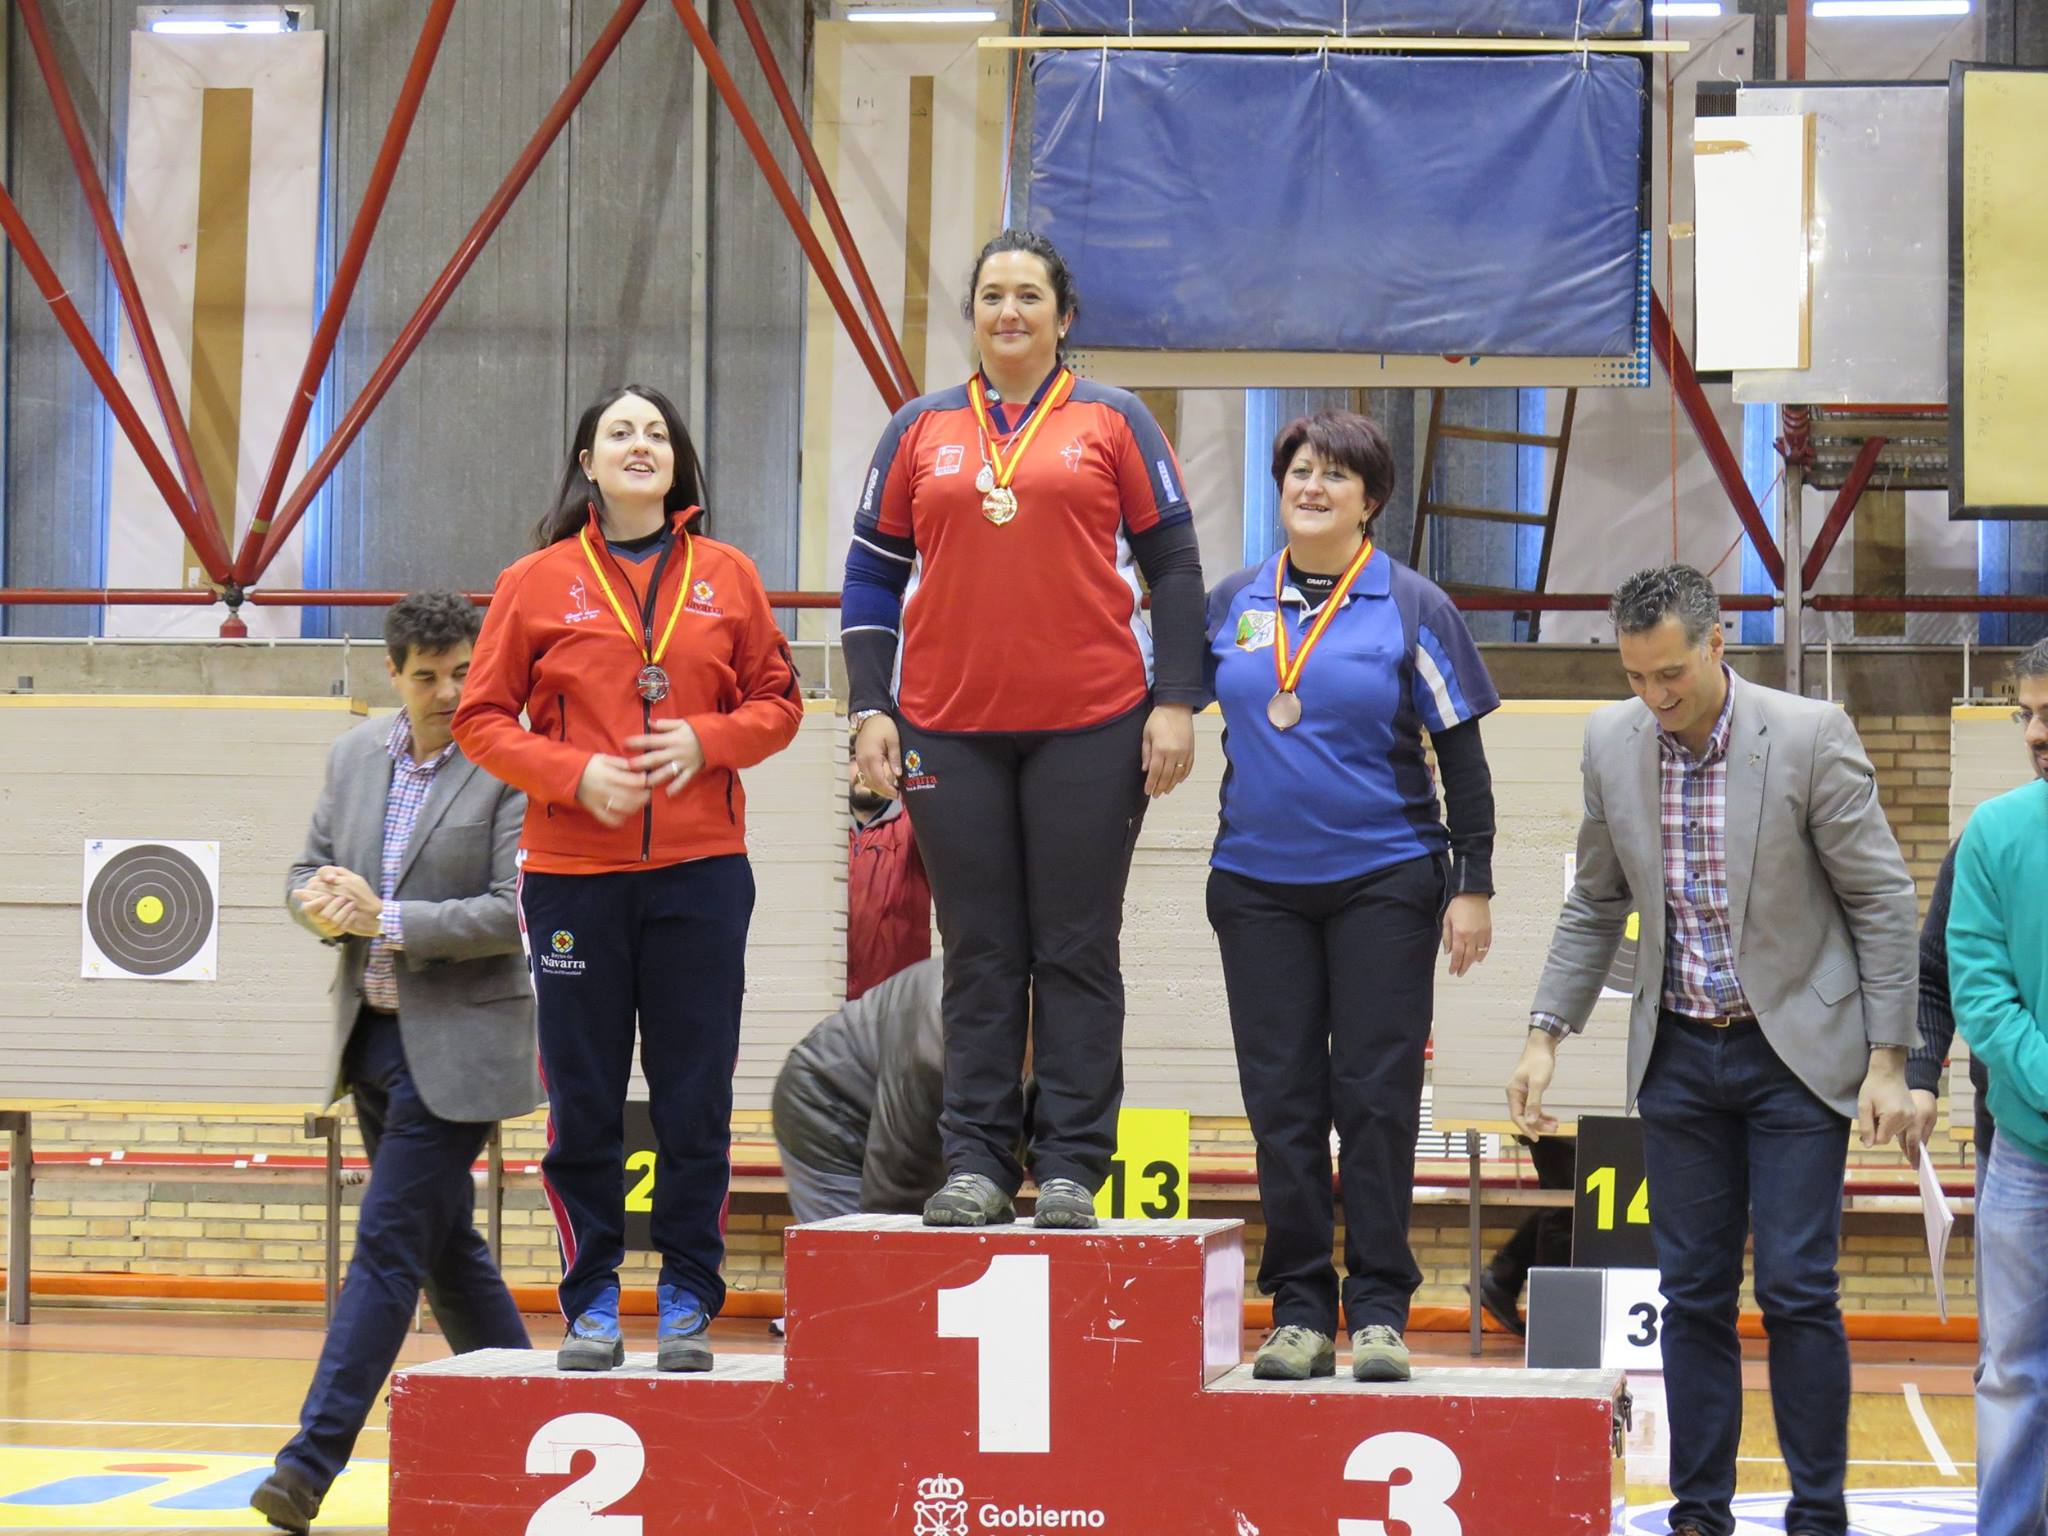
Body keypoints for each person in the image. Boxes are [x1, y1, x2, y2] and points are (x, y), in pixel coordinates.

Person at [1506, 563, 1917, 1536]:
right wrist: (1542, 1035)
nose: (1652, 698)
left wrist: (1888, 1059)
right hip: (1679, 1056)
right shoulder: (1611, 741)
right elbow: (1595, 902)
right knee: (1689, 1293)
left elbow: (1879, 899)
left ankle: (1817, 1516)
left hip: (1795, 1058)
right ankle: (1698, 1513)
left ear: (1715, 642)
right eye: (1634, 677)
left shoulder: (1808, 737)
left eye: (1669, 676)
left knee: (1793, 1288)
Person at [841, 229, 1205, 1231]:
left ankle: (1074, 1168)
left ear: (1062, 316)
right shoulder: (917, 429)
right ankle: (973, 1165)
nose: (1009, 311)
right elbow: (871, 576)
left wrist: (1173, 697)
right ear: (973, 315)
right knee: (980, 950)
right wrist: (872, 703)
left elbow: (1172, 567)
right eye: (992, 294)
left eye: (1028, 295)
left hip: (1091, 726)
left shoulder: (1112, 419)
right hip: (947, 730)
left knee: (1075, 949)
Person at [453, 384, 802, 1374]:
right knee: (585, 1104)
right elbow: (482, 718)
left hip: (700, 875)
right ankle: (592, 1297)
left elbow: (779, 704)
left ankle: (689, 1289)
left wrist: (708, 738)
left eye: (655, 432)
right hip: (572, 878)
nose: (638, 444)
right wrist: (571, 775)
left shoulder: (728, 576)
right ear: (587, 464)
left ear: (678, 465)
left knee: (694, 1097)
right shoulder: (534, 582)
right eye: (619, 433)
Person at [1204, 409, 1499, 1383]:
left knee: (1374, 1100)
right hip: (1256, 890)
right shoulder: (1234, 602)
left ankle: (1376, 1309)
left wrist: (1472, 883)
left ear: (1369, 500)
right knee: (1279, 1104)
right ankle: (1297, 1310)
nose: (1310, 485)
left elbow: (1461, 756)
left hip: (1383, 882)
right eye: (1297, 469)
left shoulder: (1411, 606)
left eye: (1334, 474)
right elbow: (1156, 697)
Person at [252, 593, 538, 1534]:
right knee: (445, 1249)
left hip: (460, 1051)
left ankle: (306, 1468)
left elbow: (512, 911)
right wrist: (320, 899)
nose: (449, 692)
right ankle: (535, 1426)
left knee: (385, 1247)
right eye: (428, 676)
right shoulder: (351, 757)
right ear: (394, 674)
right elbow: (302, 876)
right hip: (370, 1041)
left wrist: (391, 919)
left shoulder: (510, 762)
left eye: (463, 671)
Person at [1947, 639, 2048, 1536]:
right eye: (2028, 714)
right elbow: (1979, 985)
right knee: (2015, 1369)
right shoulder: (1997, 833)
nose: (2037, 732)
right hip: (2028, 1153)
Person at [771, 957, 946, 1222]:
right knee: (848, 1253)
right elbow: (899, 1187)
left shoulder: (1018, 995)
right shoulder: (936, 1039)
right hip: (826, 1102)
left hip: (892, 1108)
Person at [1479, 1133, 1577, 1338]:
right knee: (1565, 1208)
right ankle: (1548, 1321)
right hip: (1558, 1119)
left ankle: (1502, 1278)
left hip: (1560, 1119)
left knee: (1566, 1204)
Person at [848, 761, 931, 1002]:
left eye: (880, 759)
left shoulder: (914, 825)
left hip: (898, 1006)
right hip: (833, 1008)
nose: (865, 766)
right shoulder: (825, 833)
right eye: (854, 756)